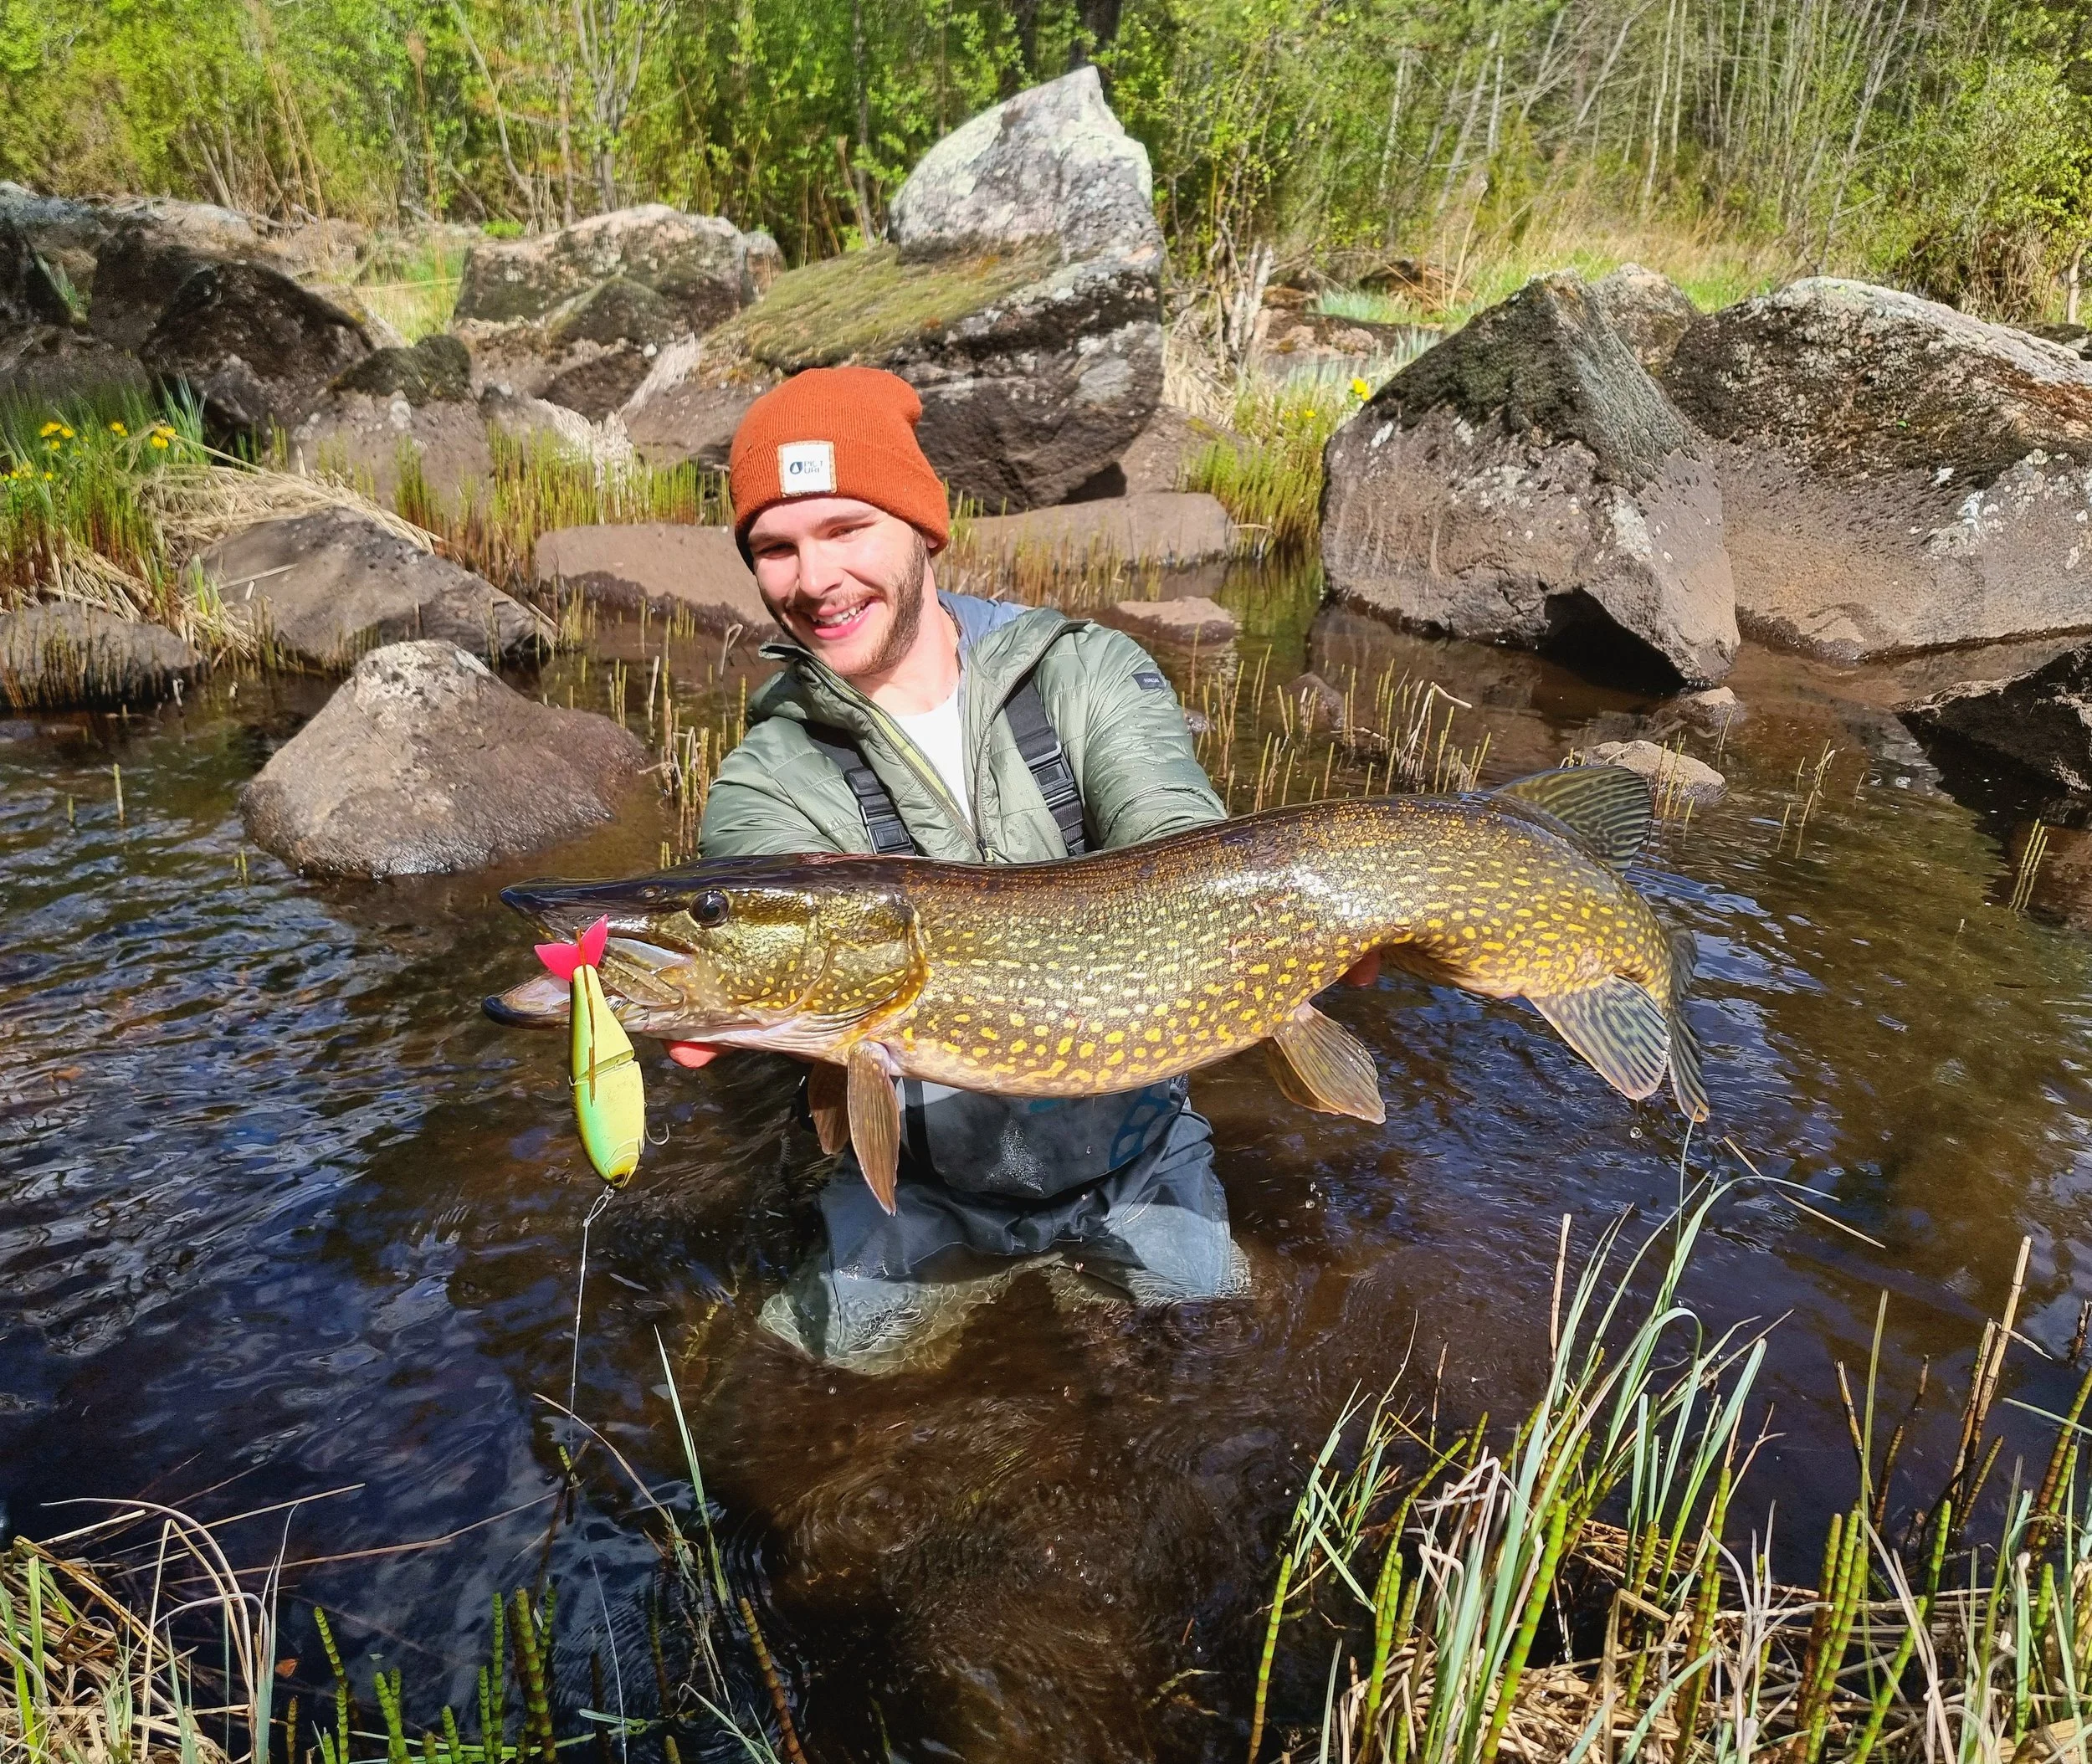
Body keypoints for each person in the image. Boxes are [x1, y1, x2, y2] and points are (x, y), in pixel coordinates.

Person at [677, 364, 1249, 1371]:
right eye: (775, 547)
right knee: (801, 1405)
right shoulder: (765, 782)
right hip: (918, 1188)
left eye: (846, 529)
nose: (812, 581)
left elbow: (1180, 839)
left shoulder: (1087, 675)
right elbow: (759, 935)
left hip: (1137, 1163)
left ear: (921, 528)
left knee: (1218, 1368)